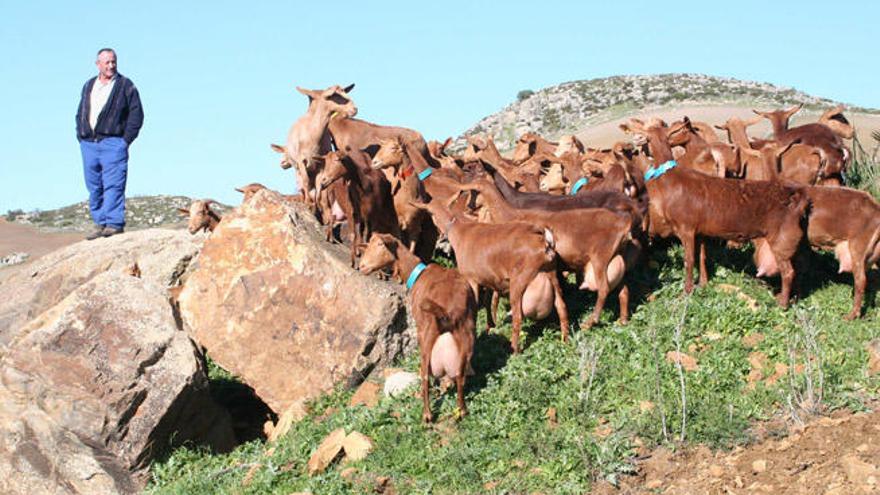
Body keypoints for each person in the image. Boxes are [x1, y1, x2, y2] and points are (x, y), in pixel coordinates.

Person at [75, 48, 144, 239]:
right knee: (94, 185)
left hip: (113, 142)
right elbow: (81, 110)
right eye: (107, 62)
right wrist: (80, 135)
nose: (111, 66)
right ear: (98, 64)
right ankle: (100, 222)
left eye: (114, 62)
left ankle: (114, 223)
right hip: (89, 143)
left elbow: (136, 115)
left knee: (114, 184)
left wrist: (124, 141)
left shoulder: (125, 85)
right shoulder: (89, 85)